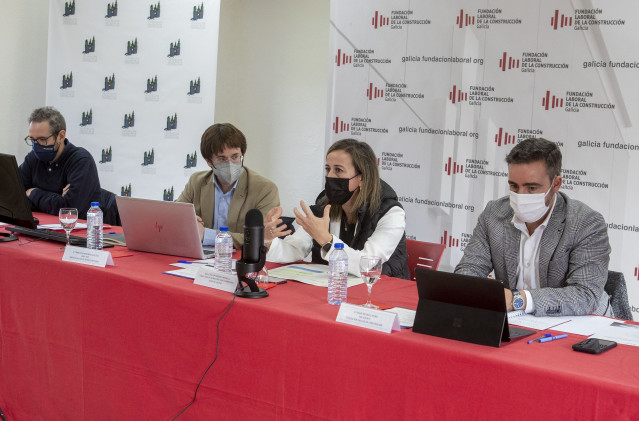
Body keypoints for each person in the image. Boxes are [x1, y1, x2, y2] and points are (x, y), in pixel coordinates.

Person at [455, 137, 612, 317]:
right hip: (518, 320)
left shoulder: (586, 222)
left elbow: (585, 295)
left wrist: (518, 300)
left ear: (556, 184)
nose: (520, 196)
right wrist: (474, 290)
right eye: (514, 186)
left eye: (531, 188)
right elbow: (469, 270)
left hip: (583, 323)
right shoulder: (493, 213)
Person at [265, 138, 410, 279]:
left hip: (380, 292)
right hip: (334, 289)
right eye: (328, 169)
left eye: (338, 170)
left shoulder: (391, 213)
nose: (329, 176)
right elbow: (296, 248)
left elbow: (367, 265)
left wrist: (326, 240)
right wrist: (268, 240)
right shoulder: (324, 206)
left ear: (362, 178)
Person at [176, 123, 280, 249]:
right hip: (200, 259)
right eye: (222, 159)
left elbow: (262, 238)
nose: (230, 164)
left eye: (235, 156)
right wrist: (189, 221)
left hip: (239, 260)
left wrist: (206, 234)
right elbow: (174, 217)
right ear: (208, 161)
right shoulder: (196, 182)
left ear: (243, 154)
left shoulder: (265, 189)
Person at [19, 106, 101, 220]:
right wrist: (56, 199)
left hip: (92, 231)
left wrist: (33, 193)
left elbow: (69, 210)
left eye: (42, 139)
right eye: (33, 140)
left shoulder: (81, 160)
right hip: (46, 228)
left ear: (61, 136)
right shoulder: (33, 158)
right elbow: (15, 198)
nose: (36, 145)